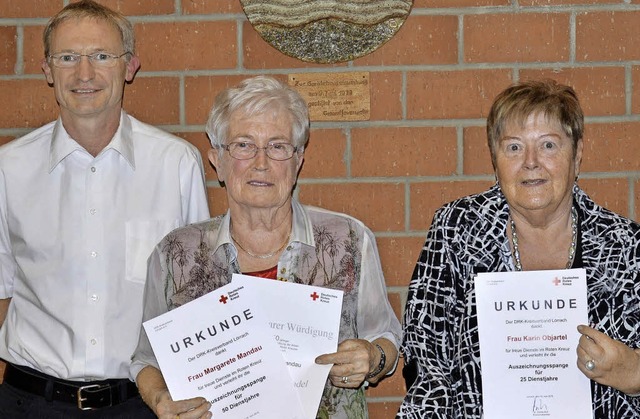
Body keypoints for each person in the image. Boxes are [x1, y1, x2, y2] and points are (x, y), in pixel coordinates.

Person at [130, 75, 402, 419]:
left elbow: (386, 336)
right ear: (218, 160)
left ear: (298, 159)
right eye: (243, 145)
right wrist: (160, 401)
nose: (261, 163)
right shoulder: (175, 255)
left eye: (277, 146)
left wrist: (372, 357)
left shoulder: (348, 239)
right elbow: (147, 360)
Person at [0, 1, 210, 417]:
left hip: (142, 404)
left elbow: (197, 297)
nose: (84, 74)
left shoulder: (176, 165)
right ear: (46, 71)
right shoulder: (9, 169)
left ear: (129, 66)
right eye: (67, 58)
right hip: (30, 403)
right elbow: (2, 291)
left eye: (101, 56)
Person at [398, 79, 640, 418]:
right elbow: (425, 353)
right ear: (495, 159)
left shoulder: (626, 245)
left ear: (578, 153)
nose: (530, 162)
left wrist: (634, 374)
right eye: (513, 147)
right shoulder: (457, 229)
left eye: (548, 146)